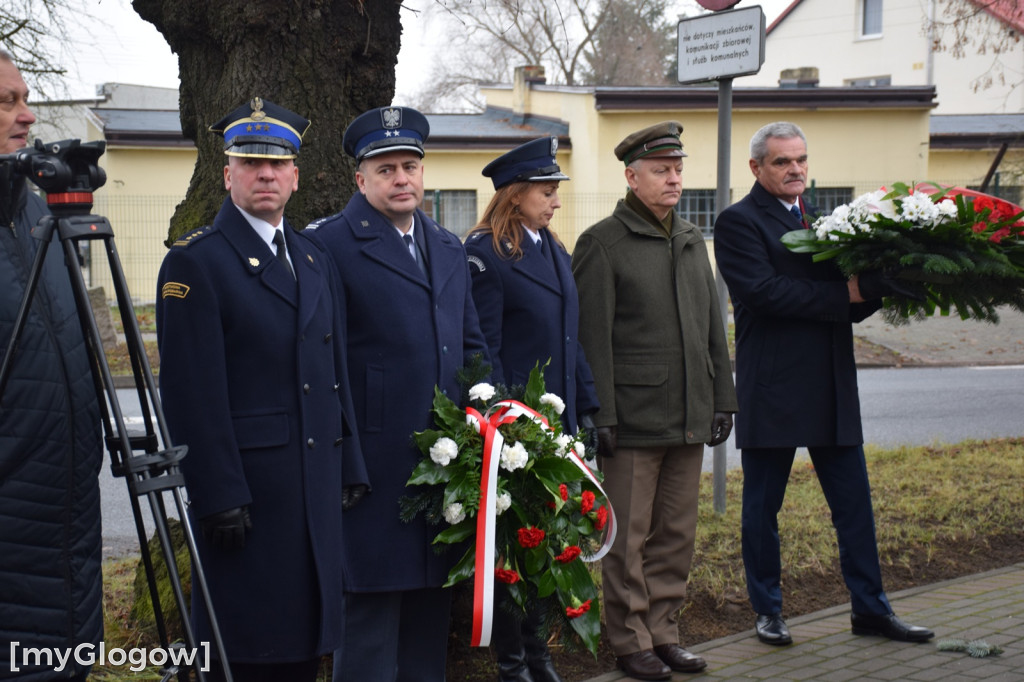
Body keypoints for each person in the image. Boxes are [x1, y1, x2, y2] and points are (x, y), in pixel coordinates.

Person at [156, 97, 366, 682]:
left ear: (296, 176)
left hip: (313, 484)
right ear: (228, 175)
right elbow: (190, 390)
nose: (265, 174)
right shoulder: (196, 263)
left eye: (277, 165)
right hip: (249, 496)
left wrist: (349, 460)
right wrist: (218, 490)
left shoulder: (313, 256)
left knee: (301, 647)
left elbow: (332, 368)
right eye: (250, 163)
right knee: (244, 649)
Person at [713, 121, 935, 648]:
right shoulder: (737, 222)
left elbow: (847, 304)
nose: (795, 170)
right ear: (756, 168)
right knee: (763, 511)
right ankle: (767, 611)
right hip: (774, 385)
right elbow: (766, 294)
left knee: (855, 506)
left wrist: (879, 286)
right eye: (782, 162)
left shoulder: (825, 222)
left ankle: (871, 610)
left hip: (832, 383)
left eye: (801, 160)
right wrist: (851, 292)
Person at [308, 106, 489, 682]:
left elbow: (470, 344)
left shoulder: (446, 245)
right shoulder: (329, 246)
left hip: (446, 464)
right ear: (360, 180)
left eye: (410, 166)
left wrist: (489, 421)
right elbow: (320, 363)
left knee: (429, 616)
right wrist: (342, 460)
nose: (402, 178)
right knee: (370, 615)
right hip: (373, 469)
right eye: (386, 169)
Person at [571, 121, 737, 681]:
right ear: (631, 176)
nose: (674, 179)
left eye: (678, 169)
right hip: (633, 421)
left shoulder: (691, 239)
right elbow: (591, 338)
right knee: (628, 538)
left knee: (675, 535)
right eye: (662, 170)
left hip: (689, 415)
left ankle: (664, 633)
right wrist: (603, 416)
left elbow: (714, 327)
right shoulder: (603, 243)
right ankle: (629, 639)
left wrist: (723, 399)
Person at [464, 136, 600, 682]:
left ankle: (540, 656)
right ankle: (514, 663)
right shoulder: (486, 254)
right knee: (516, 555)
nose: (556, 201)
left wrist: (589, 409)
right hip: (518, 434)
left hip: (558, 426)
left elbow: (572, 340)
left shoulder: (552, 247)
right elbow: (483, 348)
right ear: (515, 195)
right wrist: (500, 422)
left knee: (549, 548)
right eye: (547, 191)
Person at [0, 50, 104, 682]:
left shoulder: (39, 214)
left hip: (68, 558)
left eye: (24, 97)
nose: (27, 114)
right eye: (5, 101)